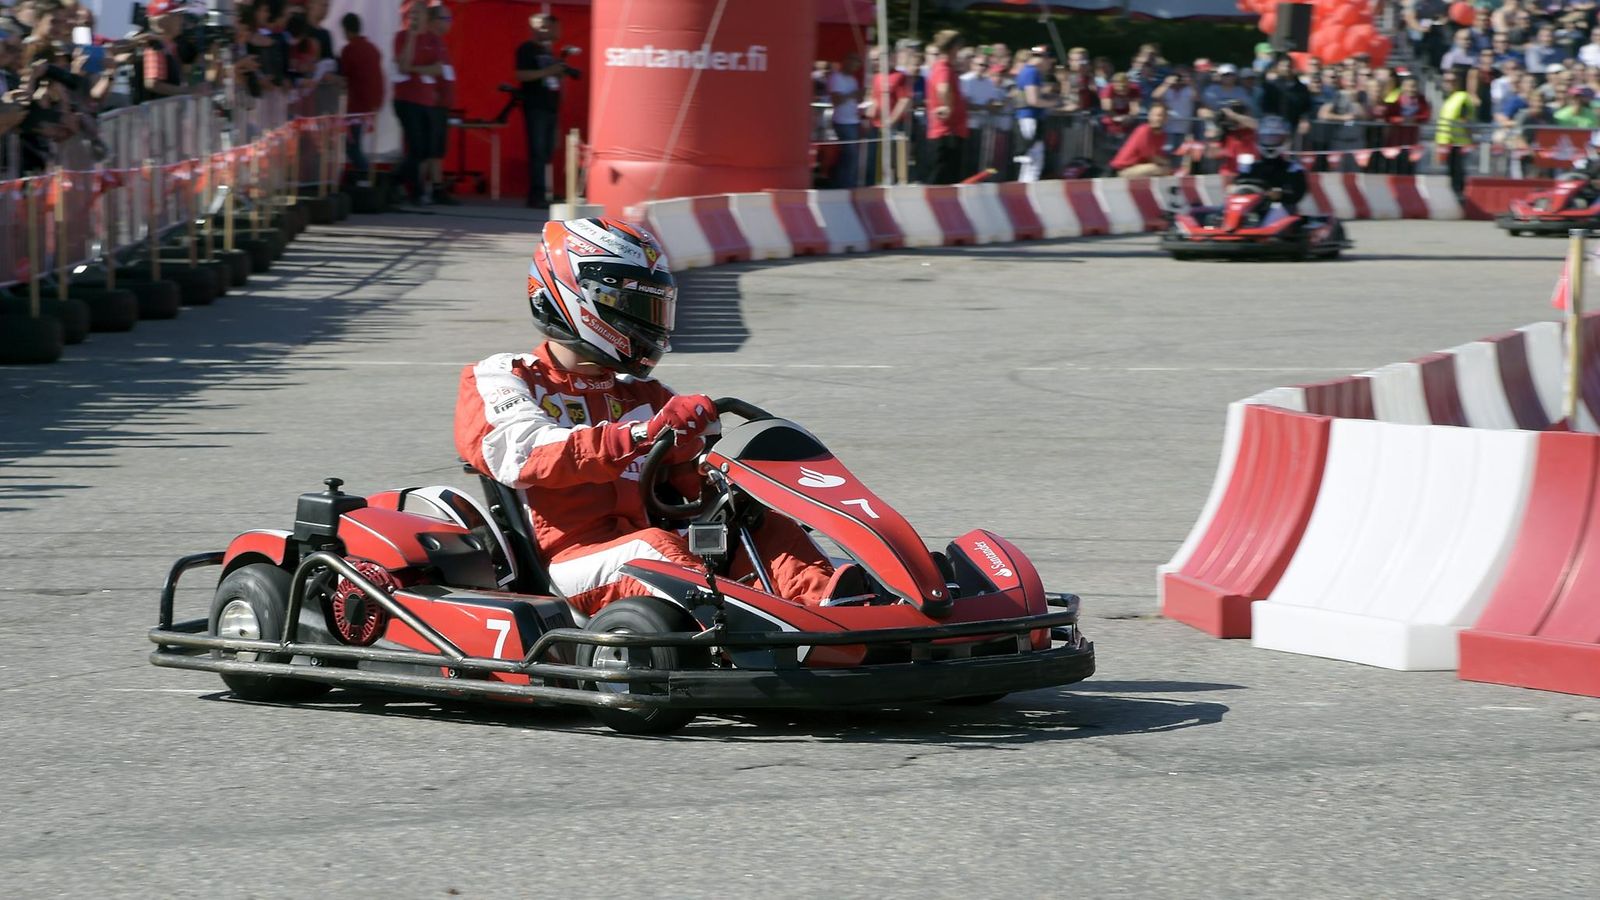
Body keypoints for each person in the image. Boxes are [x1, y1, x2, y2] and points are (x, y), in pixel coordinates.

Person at [454, 218, 835, 617]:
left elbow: (699, 491)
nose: (650, 322)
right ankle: (742, 638)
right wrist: (641, 434)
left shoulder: (644, 395)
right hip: (569, 561)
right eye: (634, 305)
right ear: (576, 298)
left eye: (656, 306)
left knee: (763, 527)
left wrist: (709, 458)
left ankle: (836, 611)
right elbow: (523, 453)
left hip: (653, 542)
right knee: (655, 549)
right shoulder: (504, 376)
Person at [514, 13, 576, 209]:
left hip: (550, 107)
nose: (547, 30)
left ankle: (545, 191)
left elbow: (555, 82)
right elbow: (521, 74)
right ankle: (536, 194)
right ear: (533, 28)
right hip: (536, 106)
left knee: (548, 150)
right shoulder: (527, 49)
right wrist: (548, 72)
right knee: (538, 151)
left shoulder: (550, 53)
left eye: (550, 27)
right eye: (543, 26)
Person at [392, 1, 444, 205]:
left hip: (427, 100)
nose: (414, 17)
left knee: (424, 149)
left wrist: (416, 69)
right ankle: (415, 190)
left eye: (418, 13)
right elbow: (403, 65)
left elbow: (438, 69)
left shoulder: (433, 39)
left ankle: (395, 179)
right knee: (416, 146)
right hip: (406, 99)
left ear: (426, 16)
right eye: (411, 13)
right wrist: (412, 36)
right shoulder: (401, 37)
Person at [338, 12, 381, 178]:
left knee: (352, 147)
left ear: (346, 30)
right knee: (356, 145)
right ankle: (367, 178)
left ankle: (368, 178)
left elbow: (344, 75)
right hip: (370, 105)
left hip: (355, 106)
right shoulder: (372, 49)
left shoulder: (349, 50)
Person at [1237, 115, 1307, 212]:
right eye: (1266, 138)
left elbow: (1297, 194)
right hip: (1252, 211)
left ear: (1285, 140)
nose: (1270, 143)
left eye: (1274, 139)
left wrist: (1281, 194)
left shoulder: (1293, 169)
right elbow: (1239, 185)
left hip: (1282, 210)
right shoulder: (1250, 167)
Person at [924, 30, 966, 184]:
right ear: (954, 48)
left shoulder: (942, 67)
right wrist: (947, 107)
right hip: (947, 133)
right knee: (943, 180)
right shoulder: (944, 68)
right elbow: (943, 87)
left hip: (947, 132)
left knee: (943, 179)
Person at [428, 4, 457, 205]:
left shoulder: (440, 43)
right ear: (434, 21)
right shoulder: (428, 41)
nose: (449, 23)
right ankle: (431, 187)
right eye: (446, 19)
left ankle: (435, 186)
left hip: (442, 104)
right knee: (432, 148)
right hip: (432, 104)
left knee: (438, 148)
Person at [1435, 68, 1478, 198]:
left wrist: (1468, 139)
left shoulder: (1462, 98)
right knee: (1450, 173)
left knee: (1457, 174)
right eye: (1446, 81)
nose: (1449, 83)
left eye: (1452, 81)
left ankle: (1459, 196)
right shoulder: (1450, 98)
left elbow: (1464, 121)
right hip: (1448, 144)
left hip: (1458, 144)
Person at [1013, 45, 1050, 181]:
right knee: (1034, 159)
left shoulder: (1027, 72)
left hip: (1029, 118)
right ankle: (1026, 189)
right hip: (1029, 119)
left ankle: (1024, 187)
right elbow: (1033, 100)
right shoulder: (1032, 72)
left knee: (1030, 159)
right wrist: (1053, 103)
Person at [826, 52, 862, 188]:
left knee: (850, 155)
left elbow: (855, 99)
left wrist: (860, 97)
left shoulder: (853, 79)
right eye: (855, 62)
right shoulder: (836, 77)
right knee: (850, 154)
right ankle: (844, 184)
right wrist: (854, 94)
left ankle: (844, 182)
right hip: (842, 121)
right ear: (846, 61)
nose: (856, 66)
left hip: (853, 120)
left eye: (858, 64)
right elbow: (837, 100)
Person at [1110, 101, 1173, 177]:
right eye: (1153, 115)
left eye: (1160, 115)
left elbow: (1158, 155)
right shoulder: (1144, 130)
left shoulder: (1162, 135)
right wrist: (1166, 162)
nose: (1156, 118)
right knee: (1157, 169)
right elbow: (1149, 156)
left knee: (1164, 170)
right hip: (1123, 169)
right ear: (1149, 116)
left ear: (1166, 118)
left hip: (1139, 167)